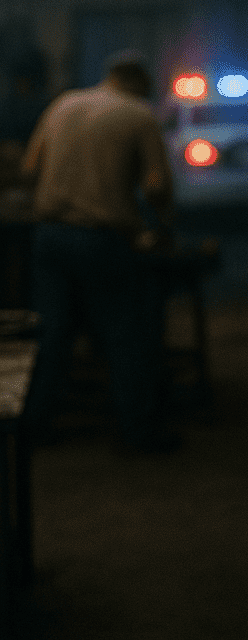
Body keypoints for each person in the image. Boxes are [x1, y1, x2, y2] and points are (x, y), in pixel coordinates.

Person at [21, 50, 177, 452]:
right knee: (124, 334)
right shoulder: (140, 114)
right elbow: (157, 186)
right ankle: (136, 432)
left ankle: (34, 428)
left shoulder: (64, 104)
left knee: (52, 335)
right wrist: (162, 223)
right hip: (102, 240)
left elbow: (29, 168)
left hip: (50, 236)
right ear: (139, 82)